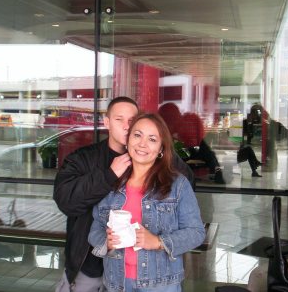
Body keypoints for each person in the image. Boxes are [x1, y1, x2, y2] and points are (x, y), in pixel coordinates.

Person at [53, 97, 194, 292]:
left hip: (145, 274)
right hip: (90, 267)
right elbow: (66, 202)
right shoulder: (83, 158)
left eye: (132, 120)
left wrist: (158, 158)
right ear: (107, 122)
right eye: (119, 119)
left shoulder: (157, 157)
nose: (127, 126)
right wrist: (108, 175)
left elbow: (185, 188)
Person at [88, 113, 206, 292]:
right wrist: (107, 242)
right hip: (117, 282)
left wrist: (158, 242)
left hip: (161, 284)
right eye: (137, 135)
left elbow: (196, 233)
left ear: (161, 149)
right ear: (127, 141)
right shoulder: (111, 181)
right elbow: (95, 227)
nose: (142, 144)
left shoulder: (177, 184)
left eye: (152, 139)